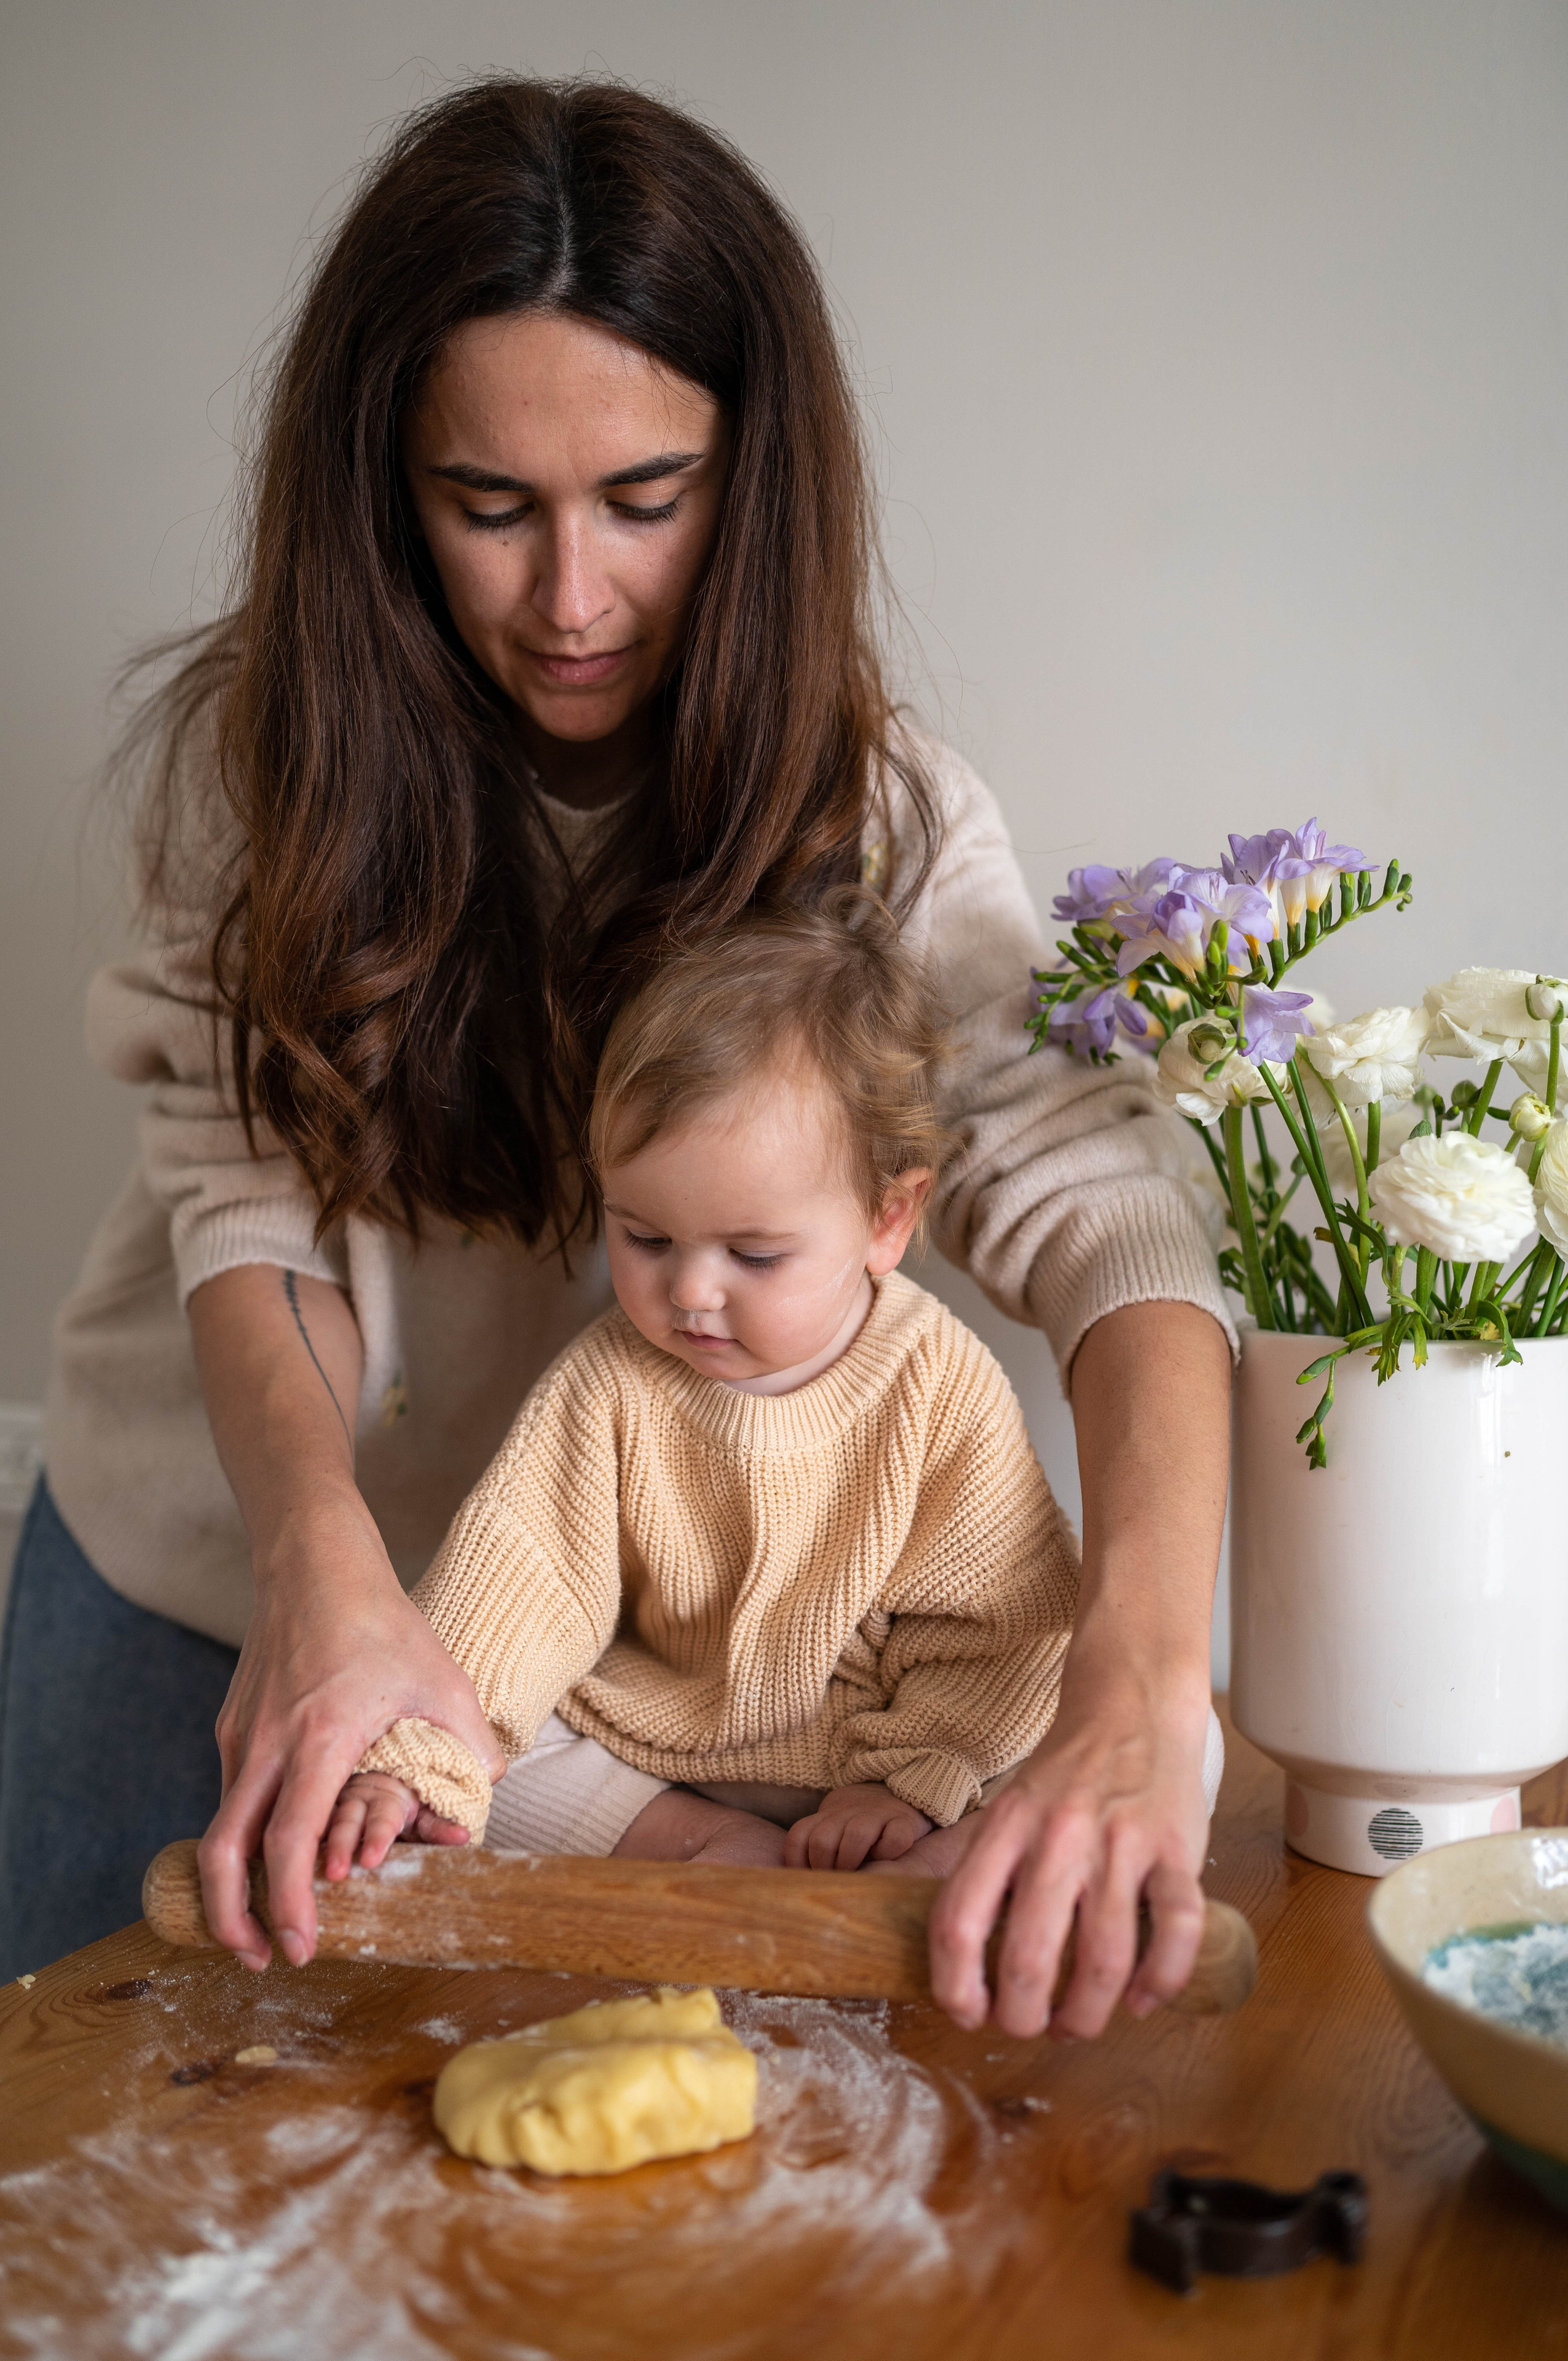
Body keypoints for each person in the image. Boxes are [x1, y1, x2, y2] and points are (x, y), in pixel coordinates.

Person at [1, 77, 1234, 2039]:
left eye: (646, 503)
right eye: (486, 508)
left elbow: (1119, 1225)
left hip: (599, 1709)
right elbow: (250, 1203)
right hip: (205, 1584)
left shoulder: (879, 819)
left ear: (756, 478)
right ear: (382, 489)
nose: (570, 600)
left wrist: (1146, 1683)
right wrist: (321, 1571)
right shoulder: (260, 766)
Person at [328, 907, 1202, 1880]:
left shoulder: (934, 1382)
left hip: (888, 1743)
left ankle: (922, 1860)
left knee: (1179, 1745)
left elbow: (999, 1622)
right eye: (645, 1238)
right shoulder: (608, 1380)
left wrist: (909, 1780)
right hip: (669, 1751)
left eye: (753, 1254)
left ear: (887, 1218)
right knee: (495, 1759)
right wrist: (419, 1766)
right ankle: (710, 1849)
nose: (691, 1292)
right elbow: (518, 1583)